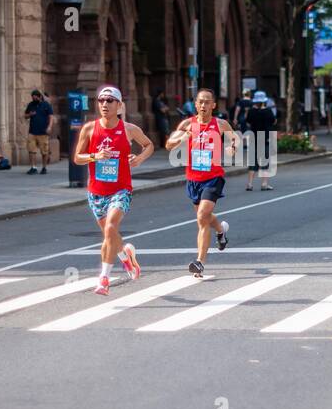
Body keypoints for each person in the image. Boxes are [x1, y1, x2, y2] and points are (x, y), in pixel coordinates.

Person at [74, 86, 155, 295]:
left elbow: (149, 145)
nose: (104, 104)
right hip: (96, 191)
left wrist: (138, 159)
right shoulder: (90, 129)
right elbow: (77, 157)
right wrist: (95, 156)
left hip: (121, 189)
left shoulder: (128, 129)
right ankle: (127, 258)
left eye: (110, 100)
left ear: (119, 106)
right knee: (109, 235)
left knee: (110, 228)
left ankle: (104, 279)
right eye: (101, 100)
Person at [166, 88, 239, 278]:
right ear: (196, 104)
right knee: (205, 217)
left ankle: (200, 262)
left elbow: (235, 138)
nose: (204, 105)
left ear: (214, 105)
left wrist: (232, 148)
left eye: (207, 102)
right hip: (193, 179)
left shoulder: (220, 124)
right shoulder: (187, 124)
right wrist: (183, 137)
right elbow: (168, 145)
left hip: (213, 177)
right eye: (200, 102)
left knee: (202, 216)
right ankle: (221, 231)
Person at [245, 90, 276, 191]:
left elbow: (248, 121)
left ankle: (249, 184)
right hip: (265, 138)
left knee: (253, 163)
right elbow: (273, 121)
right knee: (264, 162)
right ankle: (264, 183)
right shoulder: (268, 111)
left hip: (254, 137)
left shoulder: (251, 111)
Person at [24, 89, 54, 174]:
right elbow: (25, 116)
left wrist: (49, 127)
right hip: (32, 131)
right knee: (31, 150)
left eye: (35, 97)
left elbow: (51, 116)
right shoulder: (31, 105)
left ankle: (44, 167)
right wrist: (30, 115)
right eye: (32, 98)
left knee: (44, 151)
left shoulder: (46, 105)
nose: (34, 99)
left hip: (43, 132)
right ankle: (33, 167)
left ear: (39, 96)